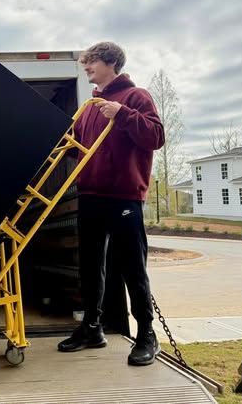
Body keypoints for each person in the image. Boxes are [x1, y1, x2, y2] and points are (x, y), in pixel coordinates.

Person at [57, 42, 165, 366]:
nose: (86, 67)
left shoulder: (136, 97)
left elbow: (156, 136)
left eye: (91, 62)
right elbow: (77, 147)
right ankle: (92, 328)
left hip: (123, 197)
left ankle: (147, 333)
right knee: (89, 267)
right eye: (85, 62)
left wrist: (123, 114)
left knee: (132, 265)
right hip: (90, 195)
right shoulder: (90, 108)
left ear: (111, 62)